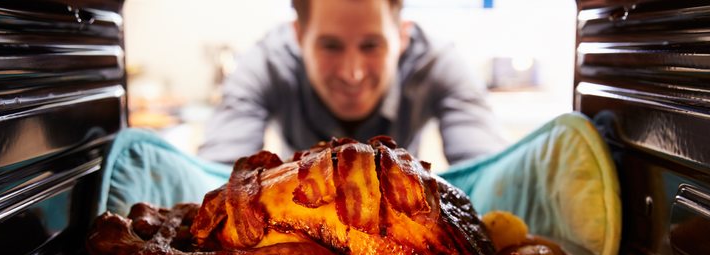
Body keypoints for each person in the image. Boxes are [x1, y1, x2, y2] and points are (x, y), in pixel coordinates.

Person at [198, 0, 508, 165]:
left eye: (371, 45)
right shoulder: (266, 64)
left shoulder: (437, 64)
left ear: (402, 36)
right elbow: (217, 172)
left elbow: (487, 169)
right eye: (330, 46)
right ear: (299, 36)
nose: (352, 73)